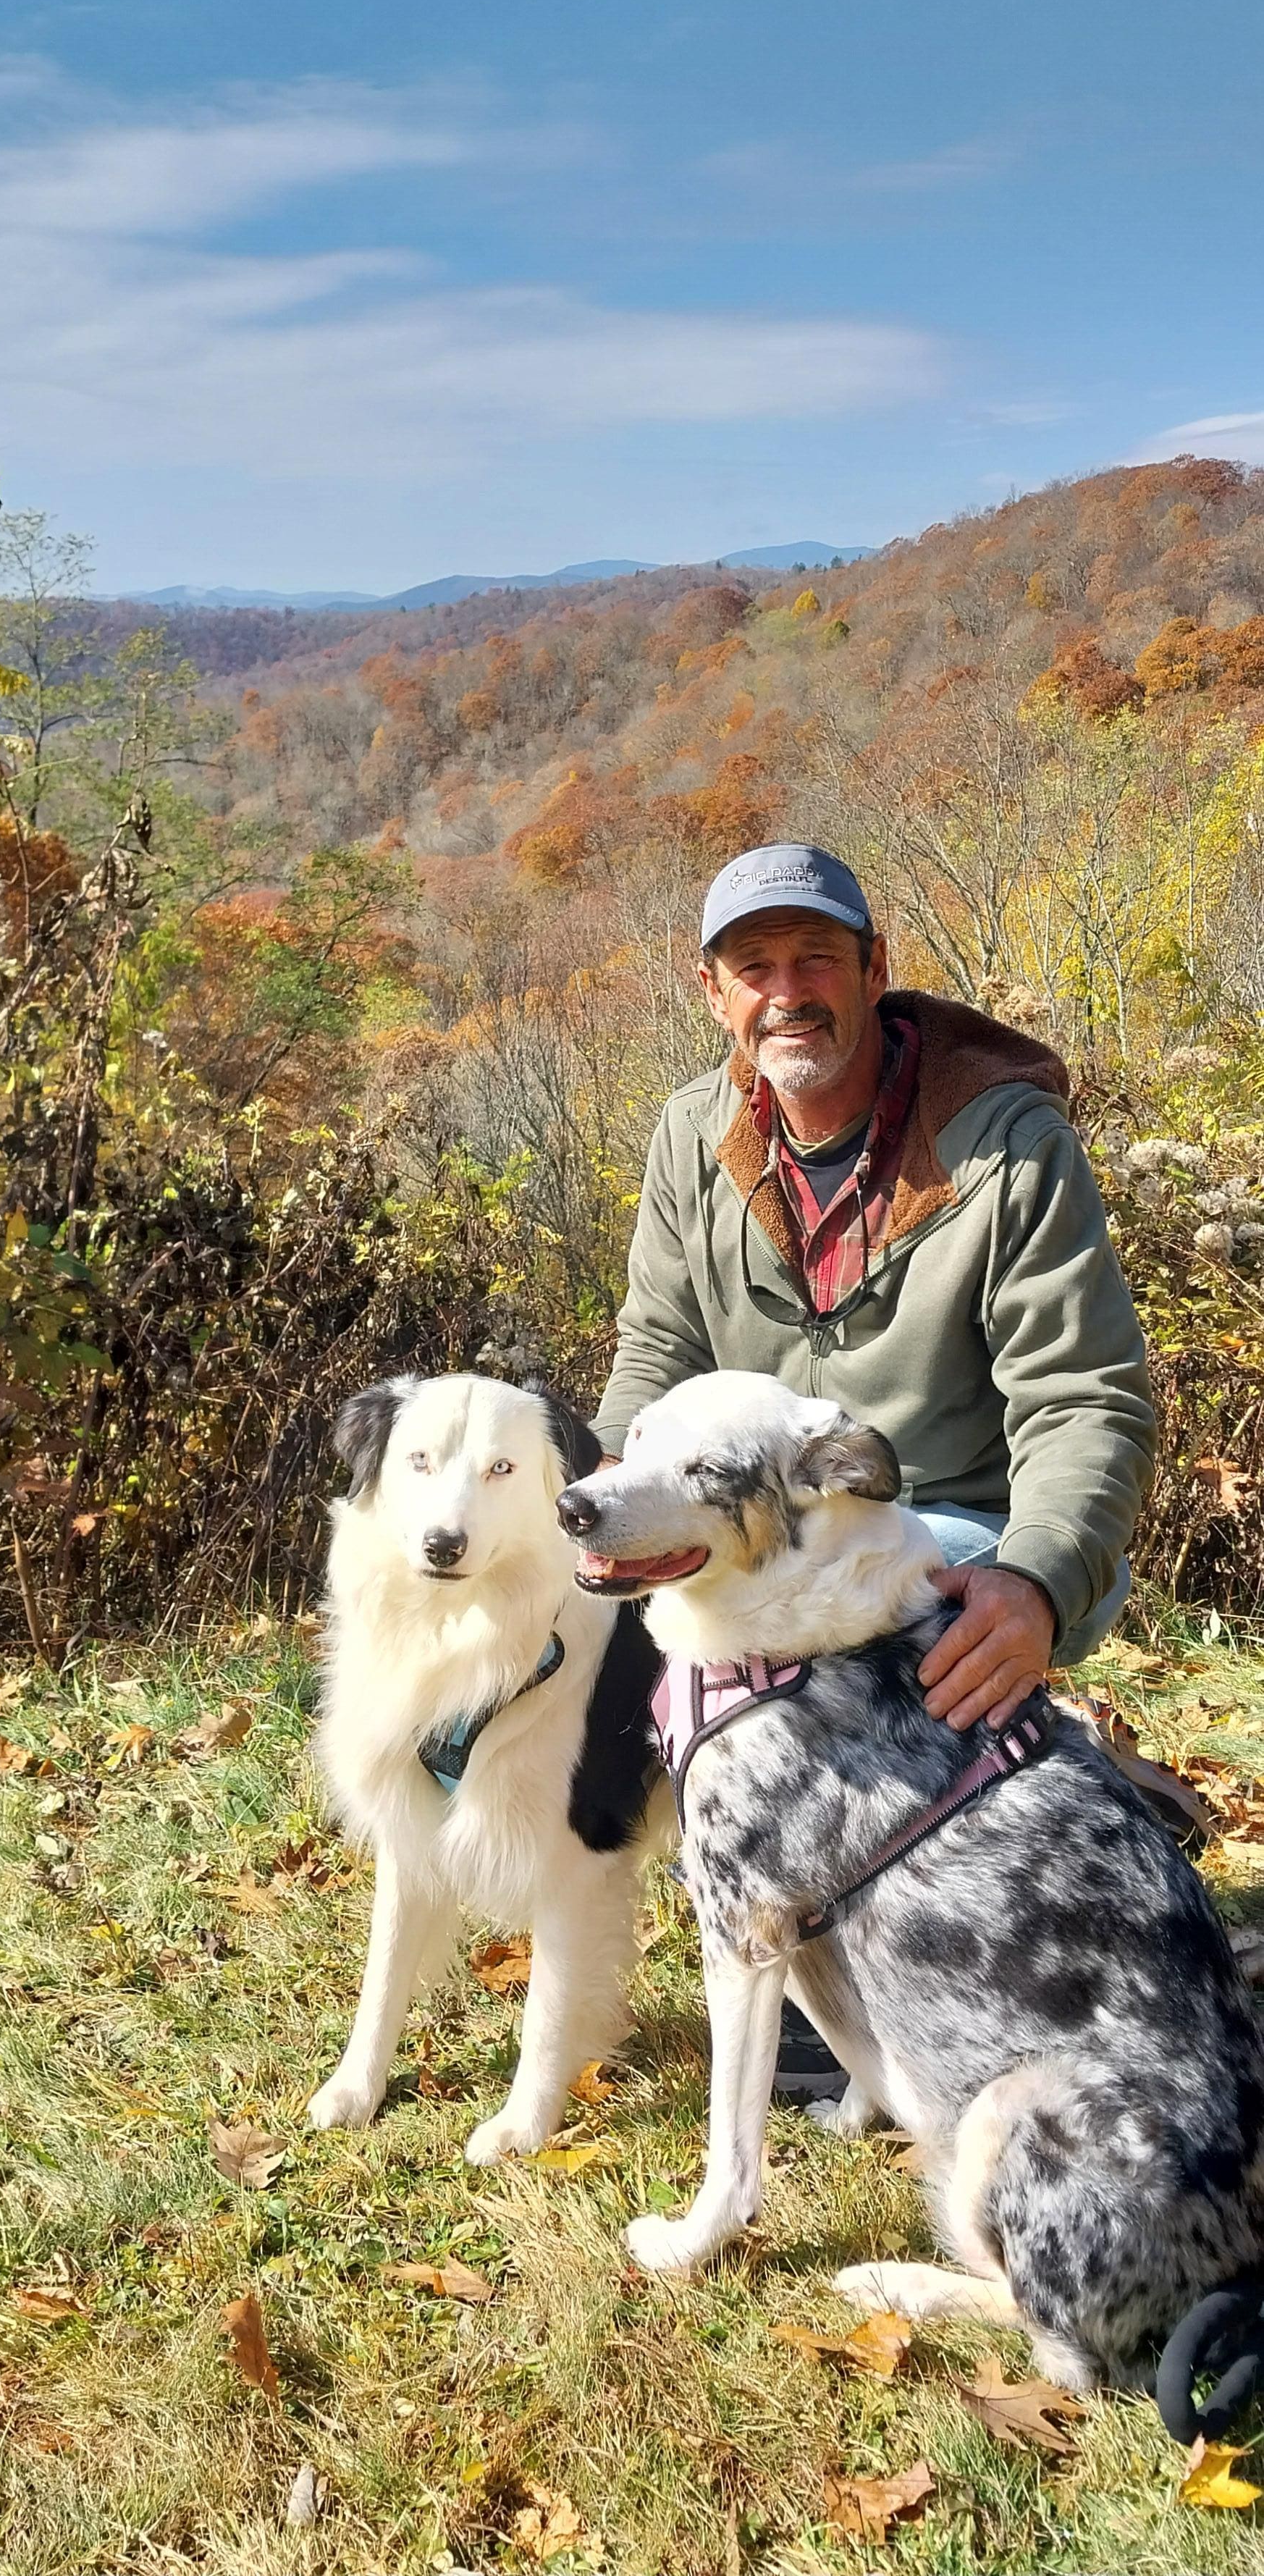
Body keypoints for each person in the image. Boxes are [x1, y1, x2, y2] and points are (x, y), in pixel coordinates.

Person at [594, 841, 1157, 2103]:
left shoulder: (1004, 1144)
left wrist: (1040, 1578)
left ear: (874, 970)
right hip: (758, 1531)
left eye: (815, 959)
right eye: (755, 967)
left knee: (841, 1675)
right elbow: (656, 1358)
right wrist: (607, 1506)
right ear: (714, 993)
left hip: (954, 1534)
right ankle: (786, 1920)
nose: (787, 990)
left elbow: (1086, 1399)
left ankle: (988, 1850)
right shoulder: (695, 1136)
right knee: (612, 1646)